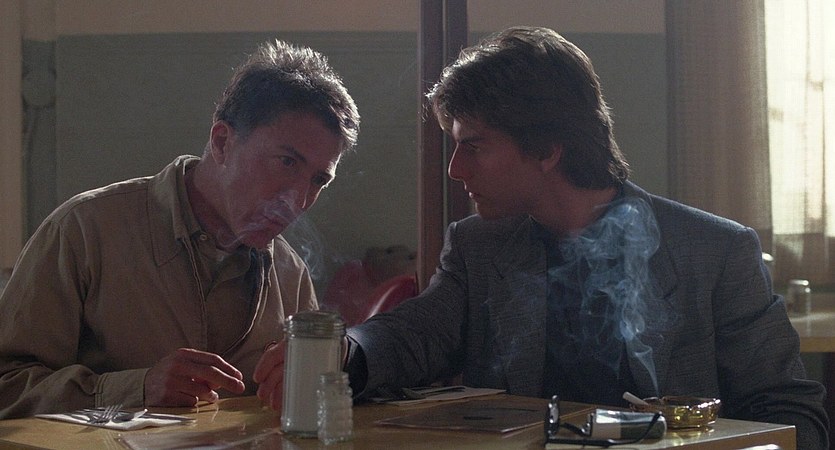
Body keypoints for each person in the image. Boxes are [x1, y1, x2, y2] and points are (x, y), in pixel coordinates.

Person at [256, 26, 830, 448]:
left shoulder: (714, 252)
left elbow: (793, 415)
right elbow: (416, 333)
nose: (455, 170)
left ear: (548, 150)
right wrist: (345, 353)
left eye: (473, 146)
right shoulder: (480, 246)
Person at [0, 39, 359, 418]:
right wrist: (136, 389)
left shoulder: (290, 275)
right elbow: (7, 385)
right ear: (222, 142)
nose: (298, 201)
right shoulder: (84, 231)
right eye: (286, 162)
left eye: (319, 180)